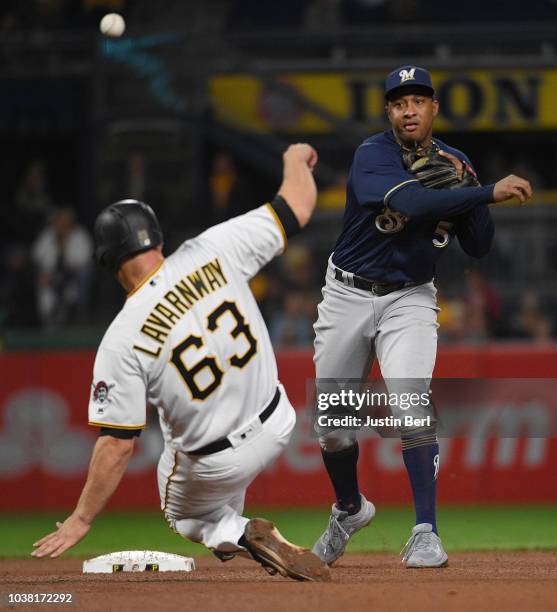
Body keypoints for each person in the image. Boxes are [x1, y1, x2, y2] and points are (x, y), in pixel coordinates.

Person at [31, 144, 330, 583]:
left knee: (185, 514)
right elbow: (298, 206)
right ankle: (239, 526)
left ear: (107, 262)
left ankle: (240, 531)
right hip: (279, 422)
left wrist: (81, 518)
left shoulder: (121, 338)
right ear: (157, 237)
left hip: (215, 464)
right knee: (212, 475)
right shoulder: (213, 248)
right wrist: (293, 159)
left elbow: (117, 445)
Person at [311, 65, 532, 568]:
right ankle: (349, 509)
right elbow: (408, 200)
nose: (408, 109)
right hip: (347, 294)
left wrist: (469, 191)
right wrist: (482, 191)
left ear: (433, 108)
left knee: (411, 402)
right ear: (389, 112)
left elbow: (479, 246)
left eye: (418, 100)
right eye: (398, 102)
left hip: (409, 298)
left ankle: (426, 531)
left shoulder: (456, 163)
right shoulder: (373, 154)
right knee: (333, 428)